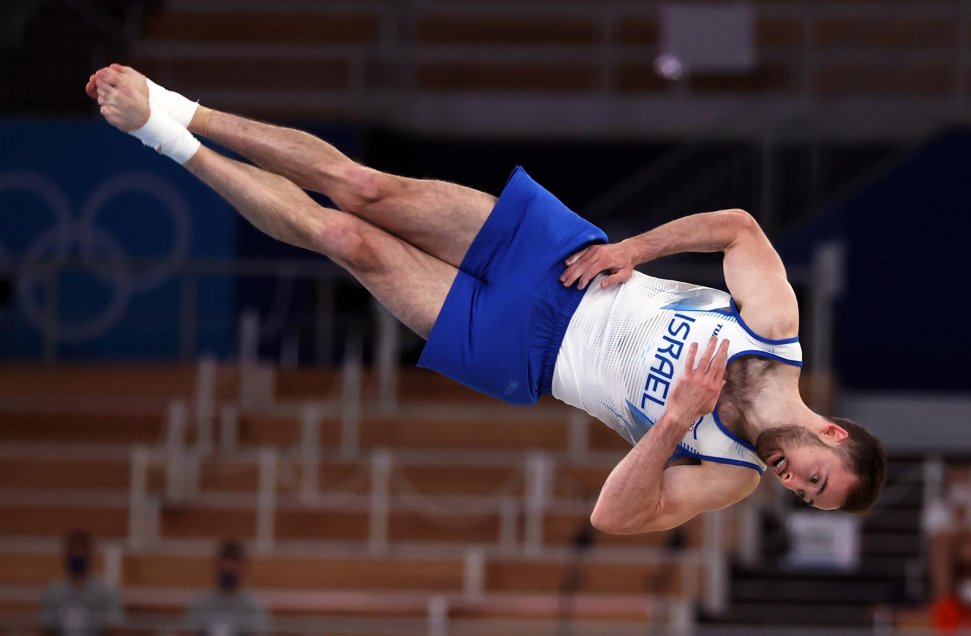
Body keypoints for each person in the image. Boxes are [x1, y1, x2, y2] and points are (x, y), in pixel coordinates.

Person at [85, 64, 886, 533]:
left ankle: (165, 140)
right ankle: (177, 105)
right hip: (563, 262)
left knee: (345, 242)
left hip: (524, 354)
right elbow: (740, 229)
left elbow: (612, 518)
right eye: (815, 477)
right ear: (831, 432)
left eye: (804, 497)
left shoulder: (728, 474)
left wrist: (679, 418)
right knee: (363, 189)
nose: (792, 484)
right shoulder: (776, 332)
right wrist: (633, 248)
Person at [39, 530, 122, 636]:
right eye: (74, 554)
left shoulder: (105, 593)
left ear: (90, 557)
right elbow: (46, 629)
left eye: (82, 554)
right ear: (66, 556)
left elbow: (113, 629)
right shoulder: (53, 592)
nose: (77, 557)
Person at [185, 541, 268, 636]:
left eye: (232, 571)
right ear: (216, 566)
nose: (228, 572)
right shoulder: (200, 604)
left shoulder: (253, 608)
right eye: (224, 570)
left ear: (244, 569)